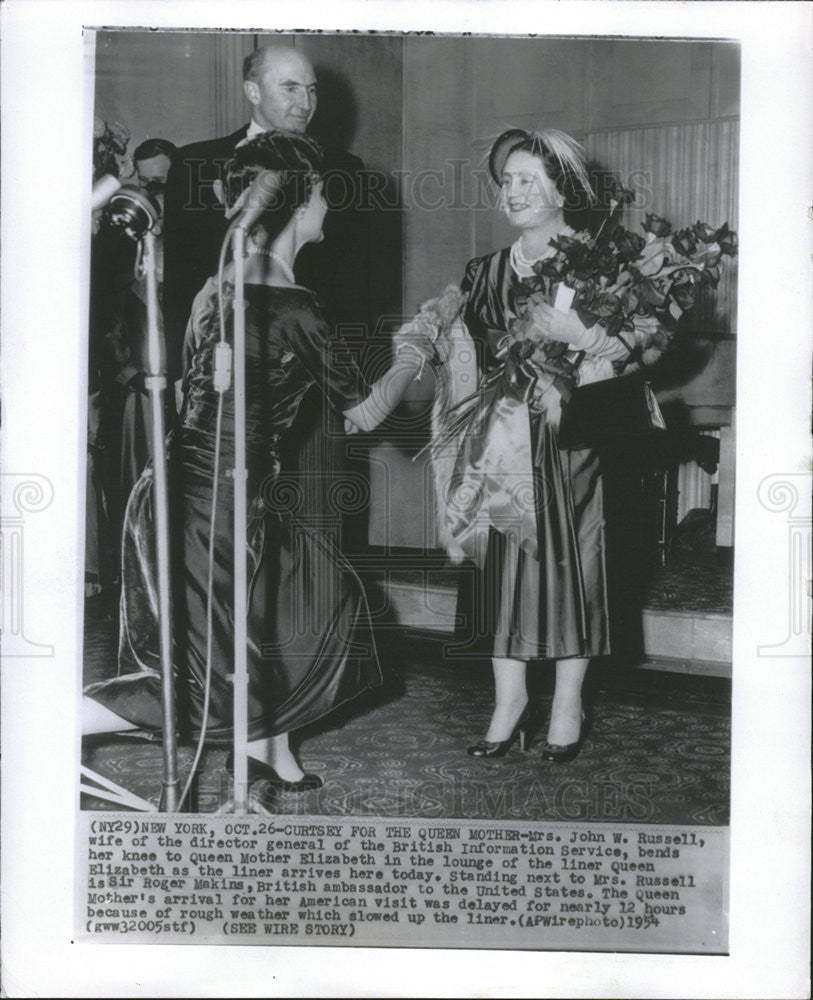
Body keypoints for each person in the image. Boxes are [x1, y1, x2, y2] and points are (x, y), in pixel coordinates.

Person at [83, 131, 433, 798]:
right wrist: (414, 353)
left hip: (189, 488)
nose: (330, 207)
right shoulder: (295, 304)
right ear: (300, 206)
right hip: (213, 503)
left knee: (309, 600)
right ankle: (44, 721)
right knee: (194, 684)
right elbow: (365, 416)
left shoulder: (217, 288)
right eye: (325, 194)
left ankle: (269, 744)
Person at [438, 128, 634, 763]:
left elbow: (645, 347)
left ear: (562, 188)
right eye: (507, 181)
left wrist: (582, 334)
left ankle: (568, 704)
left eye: (528, 180)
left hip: (570, 439)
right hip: (499, 442)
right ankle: (509, 701)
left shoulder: (600, 264)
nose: (513, 192)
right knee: (502, 569)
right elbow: (464, 356)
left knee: (571, 563)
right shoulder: (484, 271)